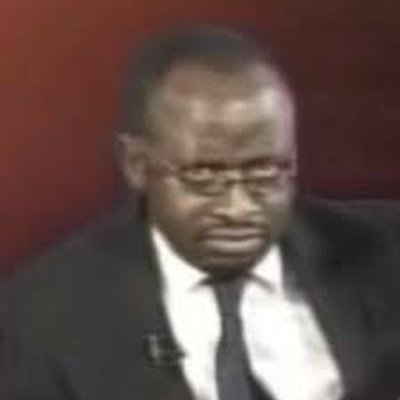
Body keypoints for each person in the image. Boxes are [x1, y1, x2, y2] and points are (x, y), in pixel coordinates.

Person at [2, 26, 400, 400]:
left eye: (264, 171)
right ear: (136, 164)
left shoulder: (386, 255)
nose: (238, 207)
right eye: (204, 176)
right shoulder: (44, 317)